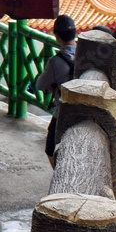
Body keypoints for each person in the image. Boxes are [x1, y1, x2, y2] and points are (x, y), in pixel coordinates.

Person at [34, 14, 77, 165]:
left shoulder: (55, 61)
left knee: (51, 149)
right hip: (85, 110)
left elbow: (40, 85)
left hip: (63, 112)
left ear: (57, 36)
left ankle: (60, 175)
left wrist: (54, 87)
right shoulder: (85, 54)